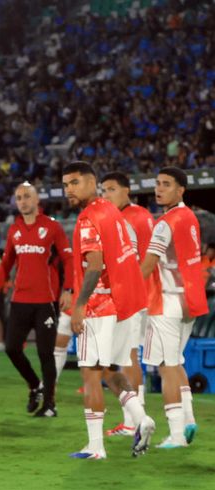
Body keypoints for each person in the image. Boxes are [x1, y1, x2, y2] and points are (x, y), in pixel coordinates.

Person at [62, 162, 155, 460]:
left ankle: (95, 447)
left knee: (90, 373)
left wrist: (79, 306)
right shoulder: (112, 212)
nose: (69, 190)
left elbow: (95, 265)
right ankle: (142, 417)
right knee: (112, 370)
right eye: (65, 185)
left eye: (75, 183)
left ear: (92, 183)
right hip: (125, 303)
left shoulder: (89, 218)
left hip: (99, 306)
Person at [0, 182, 73, 417]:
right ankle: (35, 386)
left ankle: (50, 404)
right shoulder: (14, 230)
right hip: (19, 300)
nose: (22, 201)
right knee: (12, 348)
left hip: (45, 301)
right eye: (19, 197)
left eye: (26, 197)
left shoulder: (52, 227)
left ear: (36, 201)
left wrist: (69, 289)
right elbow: (6, 264)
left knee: (46, 354)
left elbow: (69, 259)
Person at [141, 167, 208, 448]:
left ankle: (177, 434)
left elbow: (148, 264)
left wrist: (124, 291)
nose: (159, 189)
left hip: (167, 301)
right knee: (176, 362)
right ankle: (189, 419)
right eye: (157, 183)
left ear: (181, 189)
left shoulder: (165, 223)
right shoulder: (189, 216)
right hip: (189, 299)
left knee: (166, 367)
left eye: (166, 184)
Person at [100, 171, 155, 435]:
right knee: (126, 356)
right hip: (134, 296)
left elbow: (143, 261)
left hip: (134, 297)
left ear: (126, 190)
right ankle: (134, 418)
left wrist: (127, 291)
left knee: (128, 355)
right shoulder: (131, 216)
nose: (106, 195)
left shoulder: (136, 218)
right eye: (104, 190)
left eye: (111, 189)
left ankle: (135, 421)